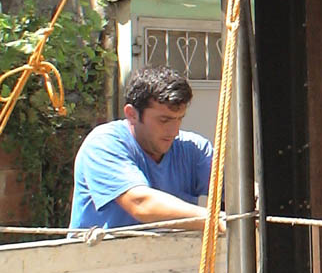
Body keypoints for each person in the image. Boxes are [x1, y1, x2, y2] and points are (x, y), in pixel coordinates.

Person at [69, 65, 215, 231]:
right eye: (164, 120)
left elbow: (237, 192)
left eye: (179, 119)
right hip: (99, 256)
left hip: (169, 255)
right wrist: (213, 220)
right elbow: (140, 203)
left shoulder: (194, 149)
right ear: (132, 114)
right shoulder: (103, 144)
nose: (174, 132)